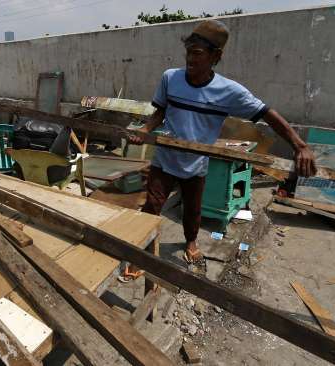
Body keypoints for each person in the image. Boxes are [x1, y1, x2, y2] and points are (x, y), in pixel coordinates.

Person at [129, 19, 317, 264]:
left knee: (193, 209)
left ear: (215, 56)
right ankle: (142, 253)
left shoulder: (229, 91)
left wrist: (299, 146)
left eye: (197, 54)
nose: (190, 59)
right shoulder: (170, 78)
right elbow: (161, 111)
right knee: (152, 205)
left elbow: (267, 114)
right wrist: (145, 129)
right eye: (188, 52)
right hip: (165, 157)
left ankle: (190, 241)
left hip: (196, 163)